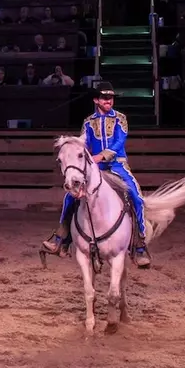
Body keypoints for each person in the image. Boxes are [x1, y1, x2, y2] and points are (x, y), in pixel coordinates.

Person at [41, 81, 151, 267]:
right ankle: (61, 239)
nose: (109, 100)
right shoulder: (88, 122)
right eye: (105, 98)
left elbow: (118, 143)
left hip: (117, 165)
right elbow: (84, 144)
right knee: (70, 198)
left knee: (137, 197)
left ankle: (139, 245)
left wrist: (100, 157)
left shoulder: (120, 119)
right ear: (96, 100)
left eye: (111, 98)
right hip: (96, 167)